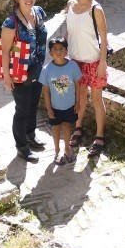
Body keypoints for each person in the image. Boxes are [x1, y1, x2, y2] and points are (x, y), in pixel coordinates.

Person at [0, 0, 48, 164]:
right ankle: (22, 147)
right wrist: (6, 76)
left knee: (33, 104)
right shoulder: (11, 23)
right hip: (19, 72)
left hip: (37, 68)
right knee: (22, 110)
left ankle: (31, 135)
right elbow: (5, 51)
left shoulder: (39, 12)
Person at [63, 0, 109, 157]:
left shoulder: (95, 9)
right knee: (79, 98)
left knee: (97, 99)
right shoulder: (70, 4)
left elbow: (105, 38)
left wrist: (102, 63)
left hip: (93, 60)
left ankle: (99, 136)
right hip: (75, 60)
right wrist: (63, 52)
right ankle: (78, 128)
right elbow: (68, 30)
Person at [39, 37, 82, 166]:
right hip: (55, 106)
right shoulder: (47, 70)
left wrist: (77, 102)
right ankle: (57, 150)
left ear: (66, 51)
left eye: (61, 49)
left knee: (67, 126)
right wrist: (49, 109)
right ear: (50, 53)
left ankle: (67, 148)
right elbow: (46, 91)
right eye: (55, 49)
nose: (58, 52)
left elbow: (78, 85)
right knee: (56, 127)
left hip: (69, 105)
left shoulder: (73, 66)